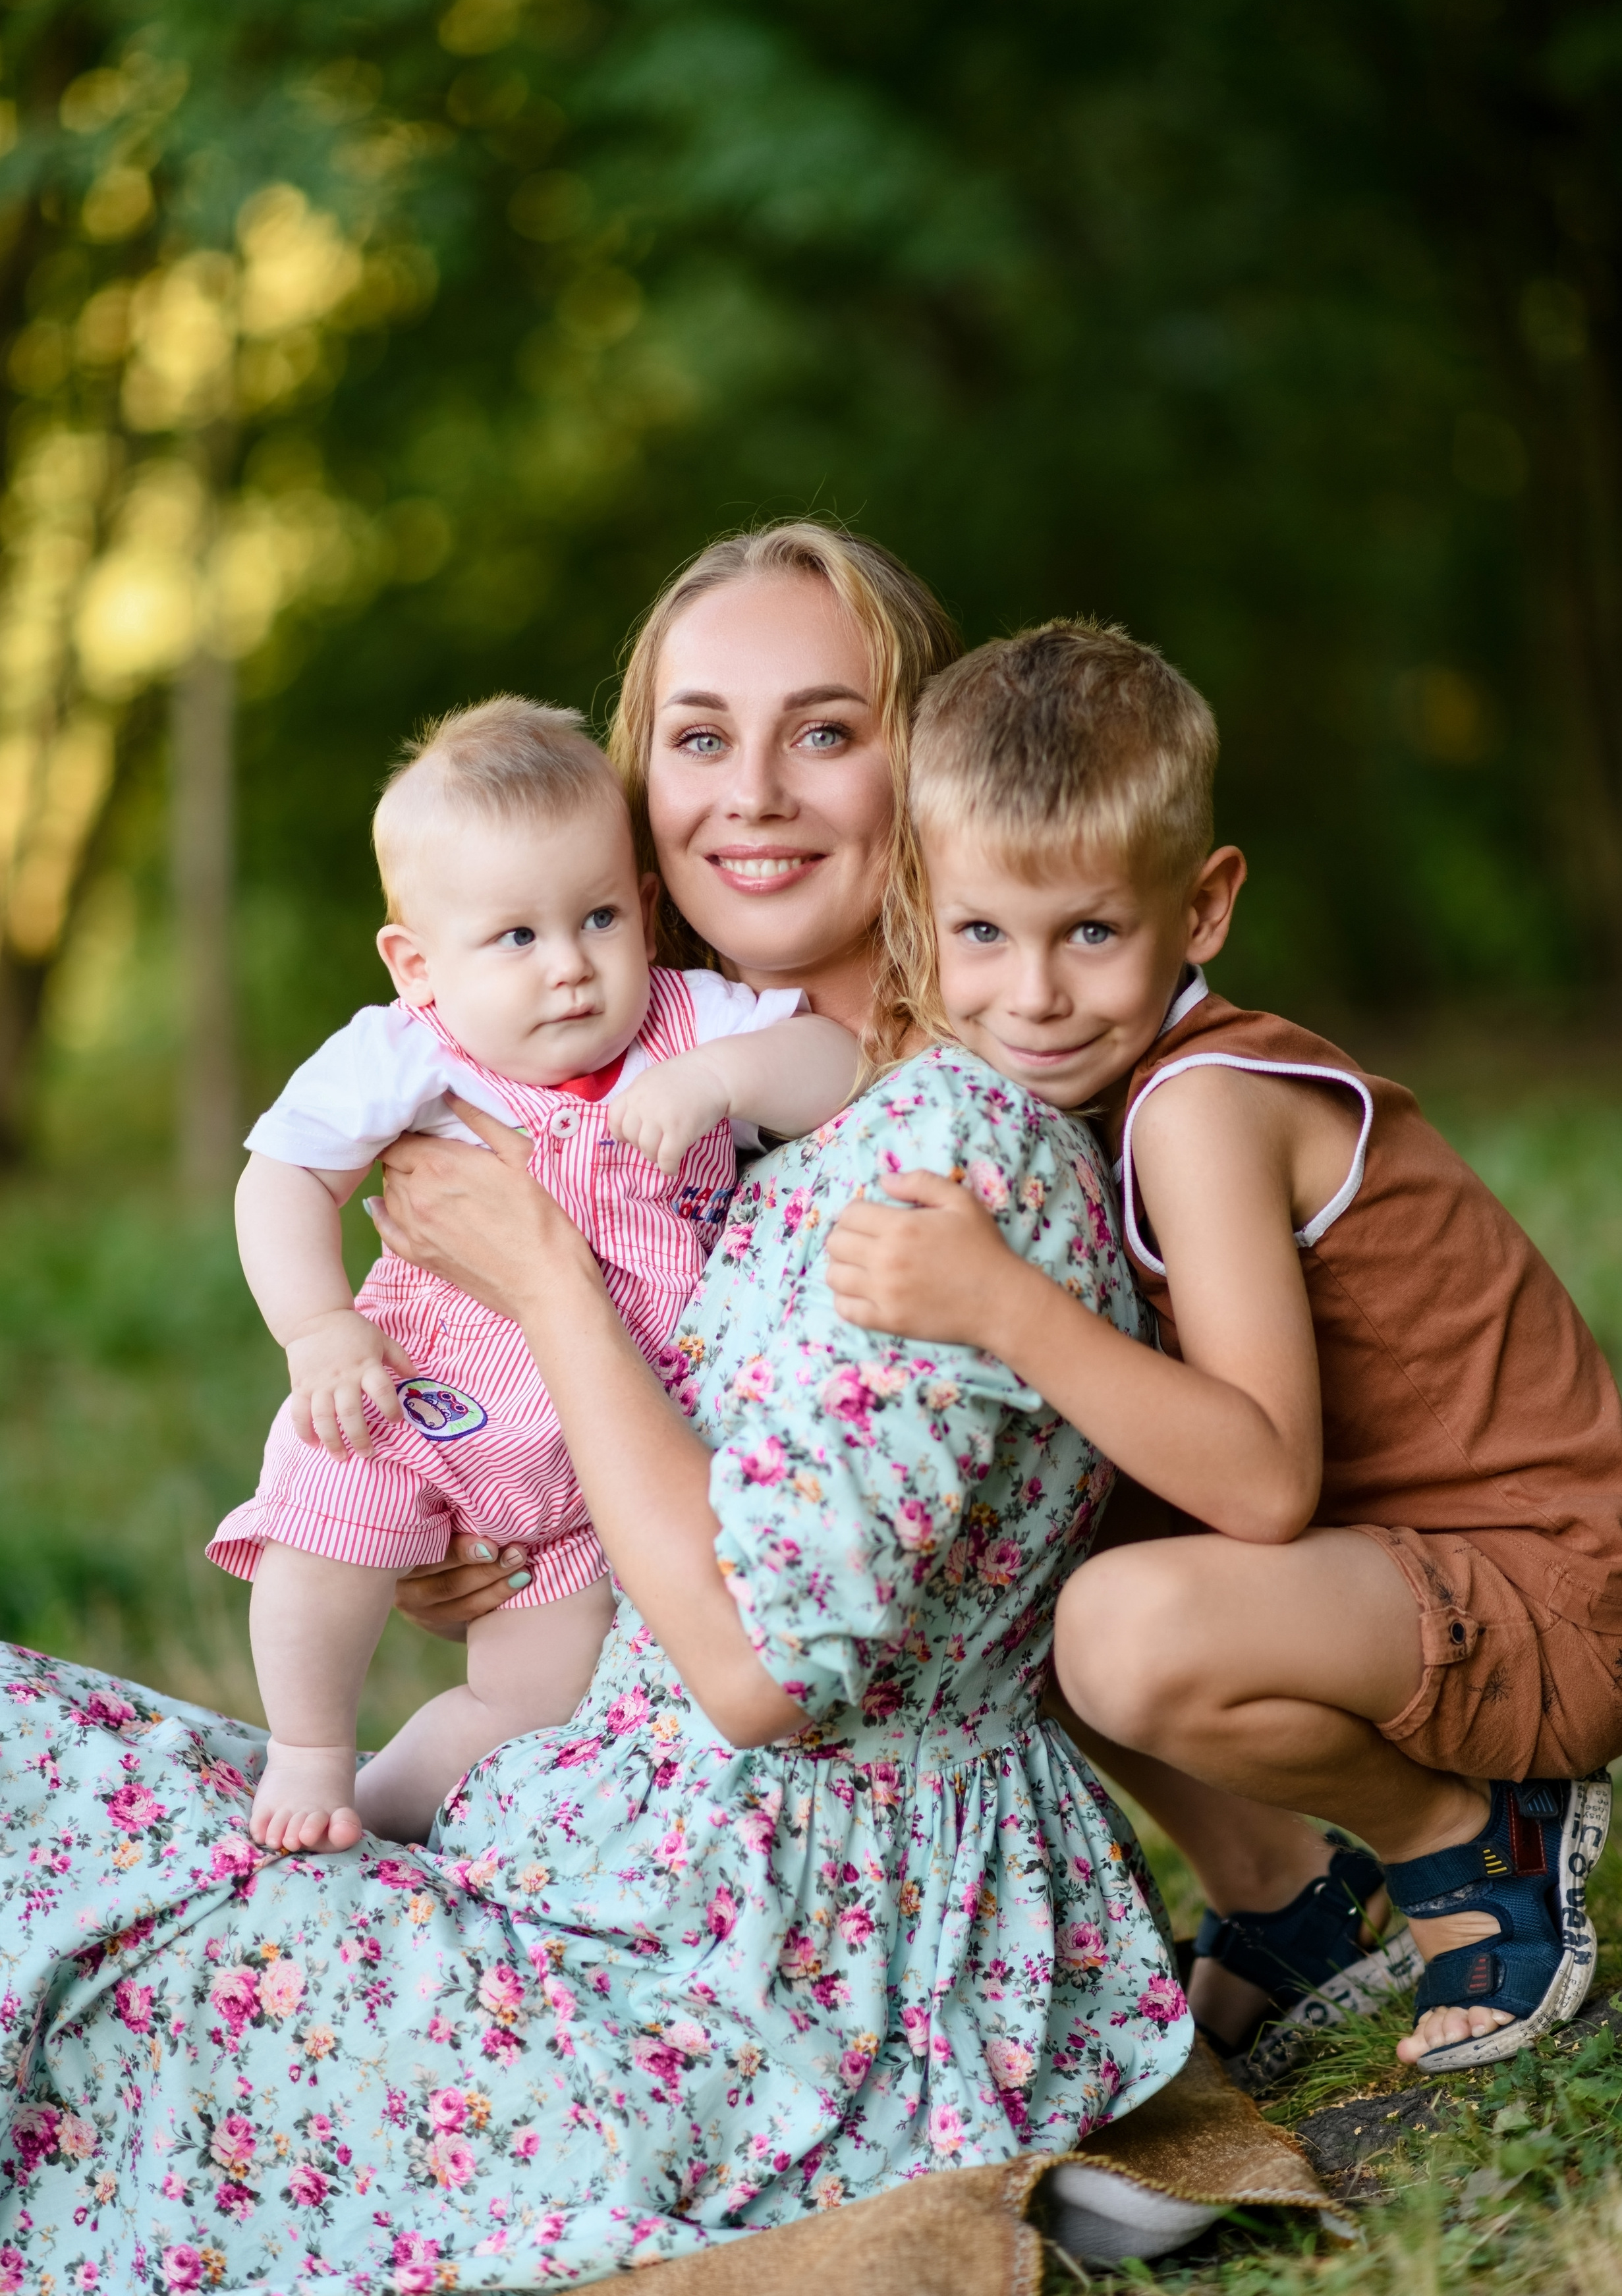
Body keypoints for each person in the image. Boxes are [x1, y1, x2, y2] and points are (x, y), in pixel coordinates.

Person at [0, 529, 1202, 2293]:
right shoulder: (733, 1127)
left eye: (826, 730)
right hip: (579, 1830)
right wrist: (469, 1501)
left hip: (749, 1970)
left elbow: (759, 1670)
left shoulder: (946, 1152)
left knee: (91, 1940)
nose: (755, 796)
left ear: (930, 771)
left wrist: (545, 1283)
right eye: (701, 740)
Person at [821, 622, 1622, 2079]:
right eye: (981, 933)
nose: (1030, 994)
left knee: (1113, 1630)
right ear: (922, 907)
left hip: (1542, 1601)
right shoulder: (1077, 1097)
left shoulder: (1196, 1106)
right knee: (982, 1566)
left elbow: (1265, 1481)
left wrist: (1000, 1304)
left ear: (1201, 908)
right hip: (1388, 1591)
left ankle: (1472, 1839)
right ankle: (1283, 1897)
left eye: (1088, 932)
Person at [209, 696, 858, 1856]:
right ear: (418, 964)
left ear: (645, 909)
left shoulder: (687, 1022)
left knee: (536, 1703)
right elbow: (283, 1180)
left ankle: (399, 1803)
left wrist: (726, 1080)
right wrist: (317, 1328)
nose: (570, 968)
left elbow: (838, 1060)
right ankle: (308, 1753)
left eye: (600, 917)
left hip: (616, 1455)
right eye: (516, 938)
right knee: (328, 1527)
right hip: (416, 1405)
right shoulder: (405, 1052)